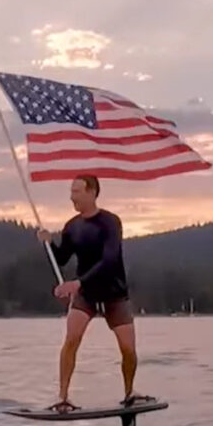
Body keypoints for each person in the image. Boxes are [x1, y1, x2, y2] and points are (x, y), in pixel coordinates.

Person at [36, 174, 155, 413]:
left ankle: (129, 392)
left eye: (76, 192)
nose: (72, 197)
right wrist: (48, 244)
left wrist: (77, 283)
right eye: (71, 192)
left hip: (114, 292)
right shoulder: (72, 226)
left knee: (128, 349)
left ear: (91, 193)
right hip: (86, 295)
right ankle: (63, 397)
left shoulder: (110, 223)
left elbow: (109, 260)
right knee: (71, 340)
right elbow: (62, 258)